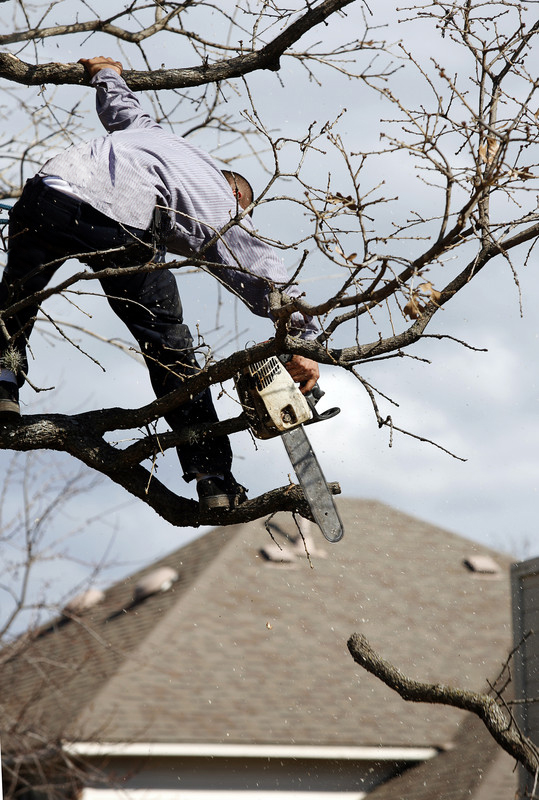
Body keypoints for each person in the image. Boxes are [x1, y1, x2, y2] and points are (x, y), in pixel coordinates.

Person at [0, 56, 320, 510]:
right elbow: (260, 270)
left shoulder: (155, 136)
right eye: (243, 211)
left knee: (17, 296)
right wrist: (304, 340)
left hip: (46, 193)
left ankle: (2, 384)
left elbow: (121, 107)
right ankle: (214, 478)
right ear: (235, 195)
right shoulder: (217, 198)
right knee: (168, 347)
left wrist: (105, 71)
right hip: (114, 222)